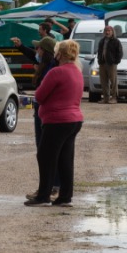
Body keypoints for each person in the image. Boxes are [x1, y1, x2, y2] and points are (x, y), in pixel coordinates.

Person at [27, 39, 84, 207]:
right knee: (65, 159)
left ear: (60, 54)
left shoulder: (56, 72)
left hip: (57, 120)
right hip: (74, 119)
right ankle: (65, 196)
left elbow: (40, 96)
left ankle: (43, 195)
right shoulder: (77, 71)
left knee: (45, 157)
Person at [96, 25, 122, 104]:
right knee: (103, 81)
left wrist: (116, 61)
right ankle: (106, 98)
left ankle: (114, 98)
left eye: (109, 31)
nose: (107, 32)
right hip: (102, 63)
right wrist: (99, 59)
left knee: (113, 81)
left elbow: (120, 53)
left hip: (111, 64)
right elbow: (99, 51)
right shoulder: (102, 41)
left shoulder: (116, 41)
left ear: (112, 32)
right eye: (106, 31)